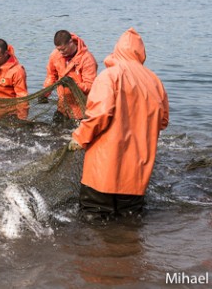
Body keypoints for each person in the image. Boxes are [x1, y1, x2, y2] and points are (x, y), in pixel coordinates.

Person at [69, 28, 169, 222]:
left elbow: (100, 115)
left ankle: (105, 250)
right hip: (137, 173)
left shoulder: (109, 76)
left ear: (117, 50)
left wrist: (79, 138)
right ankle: (128, 250)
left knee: (94, 222)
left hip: (103, 170)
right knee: (130, 221)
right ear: (141, 53)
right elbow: (163, 122)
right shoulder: (155, 80)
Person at [42, 30, 97, 120]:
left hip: (81, 108)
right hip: (63, 106)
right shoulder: (55, 55)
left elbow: (90, 86)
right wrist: (45, 92)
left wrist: (73, 85)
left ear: (71, 42)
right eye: (58, 49)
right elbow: (51, 75)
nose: (61, 52)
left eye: (63, 49)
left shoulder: (87, 59)